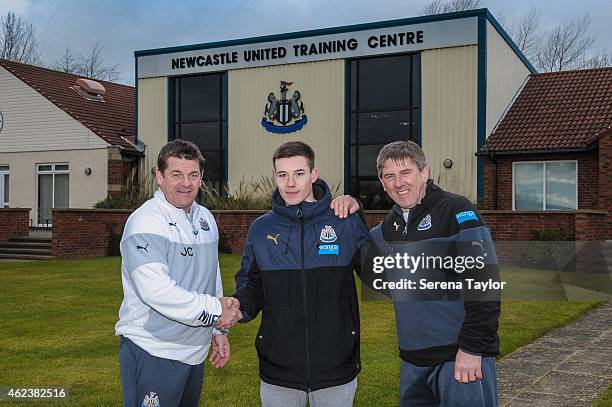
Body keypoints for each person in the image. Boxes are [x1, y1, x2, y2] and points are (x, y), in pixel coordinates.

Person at [233, 141, 369, 407]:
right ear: (275, 177)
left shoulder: (343, 220)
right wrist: (239, 307)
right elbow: (252, 285)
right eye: (282, 175)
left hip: (335, 365)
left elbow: (379, 272)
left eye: (299, 173)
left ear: (313, 174)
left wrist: (359, 212)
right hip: (279, 370)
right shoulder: (261, 229)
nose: (290, 183)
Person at [368, 140, 501, 406]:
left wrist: (472, 348)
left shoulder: (457, 211)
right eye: (390, 176)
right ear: (382, 183)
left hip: (459, 358)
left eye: (406, 173)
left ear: (425, 172)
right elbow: (372, 271)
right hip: (413, 361)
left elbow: (486, 285)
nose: (399, 183)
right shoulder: (386, 229)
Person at [115, 139, 242, 407]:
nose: (186, 183)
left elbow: (211, 276)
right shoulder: (145, 222)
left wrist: (218, 329)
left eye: (193, 174)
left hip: (194, 352)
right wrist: (216, 310)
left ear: (201, 177)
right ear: (159, 177)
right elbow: (156, 291)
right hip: (153, 350)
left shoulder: (205, 218)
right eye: (176, 174)